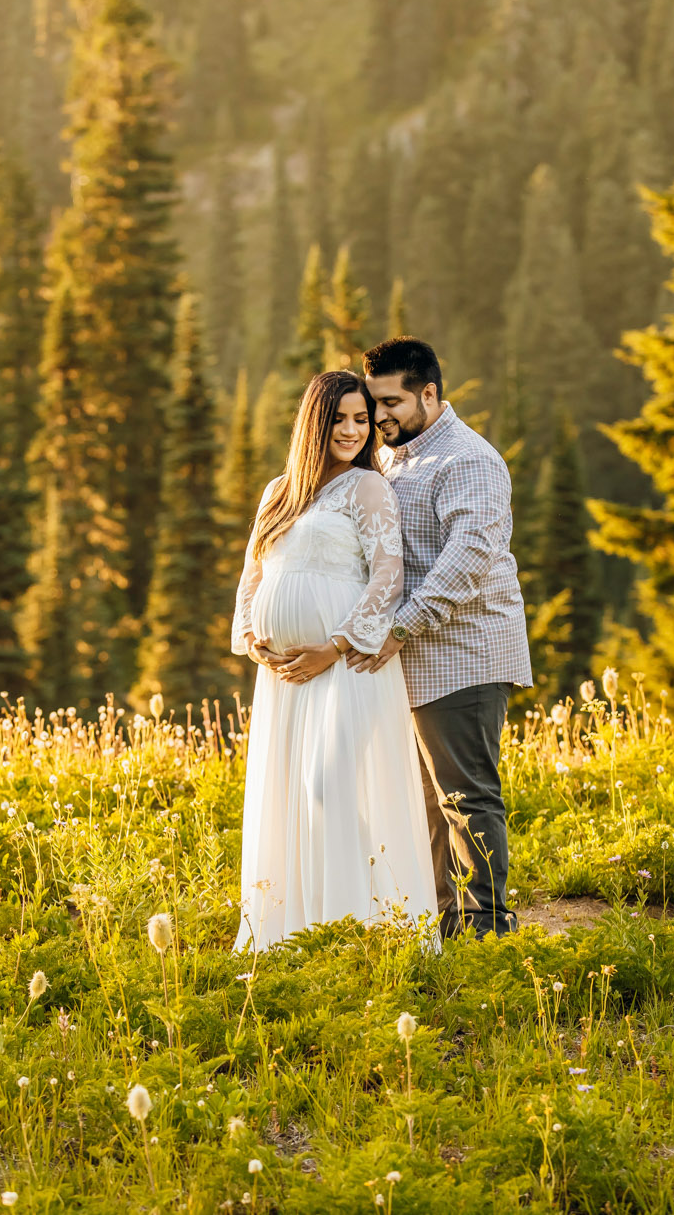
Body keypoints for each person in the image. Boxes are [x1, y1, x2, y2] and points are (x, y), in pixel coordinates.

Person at [229, 370, 439, 951]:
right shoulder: (279, 492)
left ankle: (369, 926)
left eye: (361, 418)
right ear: (313, 422)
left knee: (329, 787)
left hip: (346, 669)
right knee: (292, 795)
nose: (352, 430)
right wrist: (252, 639)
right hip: (286, 678)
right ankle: (295, 930)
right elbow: (253, 576)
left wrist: (336, 646)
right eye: (340, 418)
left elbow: (388, 579)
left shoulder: (368, 489)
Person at [355, 337, 533, 939]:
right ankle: (439, 923)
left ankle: (487, 928)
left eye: (391, 402)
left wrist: (401, 626)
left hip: (464, 655)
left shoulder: (467, 459)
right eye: (373, 403)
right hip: (410, 661)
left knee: (465, 798)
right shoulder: (394, 460)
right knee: (425, 802)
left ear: (429, 393)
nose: (380, 417)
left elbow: (470, 555)